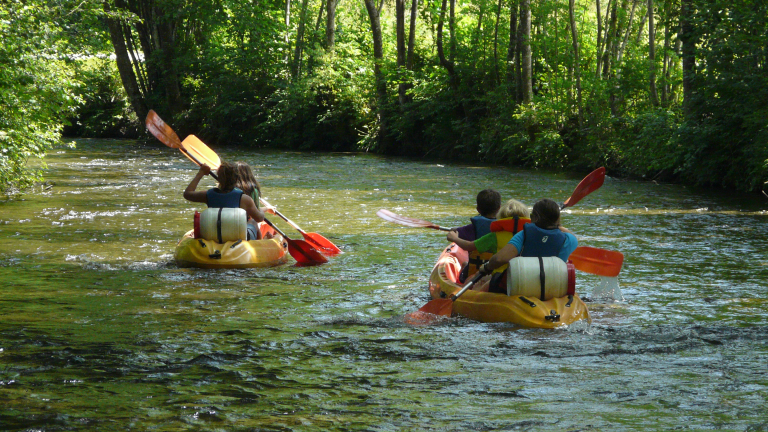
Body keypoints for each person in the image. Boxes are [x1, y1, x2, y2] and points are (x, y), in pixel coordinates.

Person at [471, 198, 578, 294]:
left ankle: (474, 295)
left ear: (532, 217)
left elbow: (499, 259)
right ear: (558, 220)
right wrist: (557, 225)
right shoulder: (569, 240)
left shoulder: (524, 234)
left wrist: (486, 267)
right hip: (554, 289)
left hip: (522, 286)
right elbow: (569, 234)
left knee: (492, 280)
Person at [448, 199, 531, 288]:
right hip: (524, 278)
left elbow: (469, 246)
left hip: (499, 278)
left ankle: (463, 290)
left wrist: (454, 238)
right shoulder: (529, 235)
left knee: (474, 277)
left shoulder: (495, 236)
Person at [183, 162, 265, 240]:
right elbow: (259, 218)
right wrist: (261, 210)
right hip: (237, 236)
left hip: (214, 235)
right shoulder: (244, 199)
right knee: (253, 221)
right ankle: (258, 246)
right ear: (236, 178)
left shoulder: (208, 195)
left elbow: (187, 193)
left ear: (218, 179)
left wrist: (200, 173)